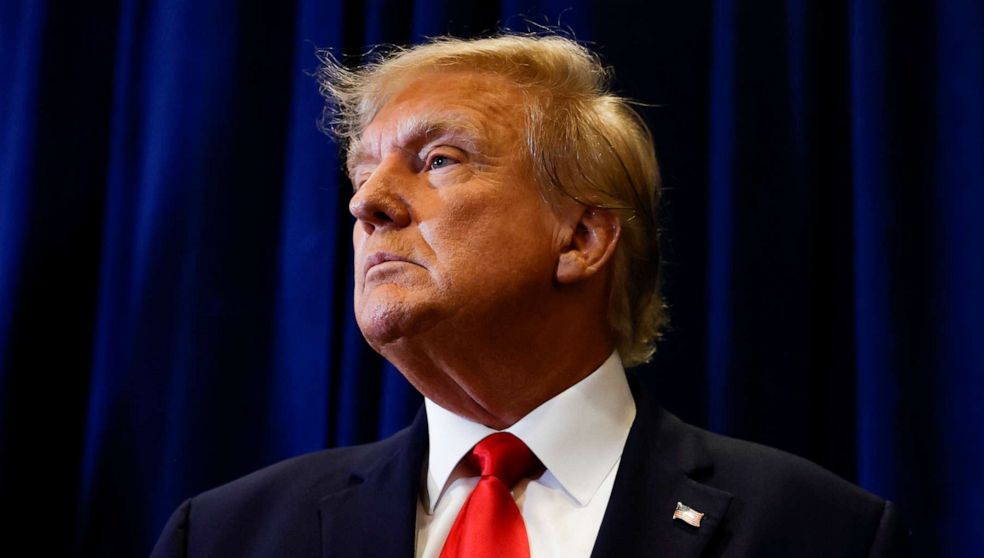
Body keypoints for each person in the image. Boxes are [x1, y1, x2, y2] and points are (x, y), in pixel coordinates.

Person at [151, 34, 909, 557]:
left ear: (581, 239)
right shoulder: (225, 536)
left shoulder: (818, 533)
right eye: (361, 175)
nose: (368, 204)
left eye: (439, 159)